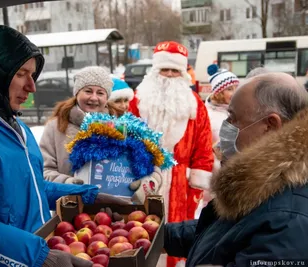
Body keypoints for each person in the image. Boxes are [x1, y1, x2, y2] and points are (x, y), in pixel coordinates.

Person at [0, 25, 125, 267]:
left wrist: (88, 195)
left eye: (32, 75)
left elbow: (30, 188)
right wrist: (36, 255)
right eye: (20, 74)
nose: (32, 86)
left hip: (35, 247)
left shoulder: (17, 127)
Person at [164, 72, 308, 266]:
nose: (226, 126)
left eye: (232, 118)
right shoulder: (265, 182)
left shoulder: (287, 219)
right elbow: (221, 233)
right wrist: (157, 235)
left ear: (270, 125)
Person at [128, 41, 214, 267]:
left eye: (175, 70)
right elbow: (127, 139)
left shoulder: (195, 104)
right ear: (154, 71)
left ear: (183, 73)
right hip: (145, 175)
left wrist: (196, 183)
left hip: (180, 183)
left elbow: (204, 146)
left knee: (177, 233)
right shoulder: (138, 100)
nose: (168, 75)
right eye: (164, 69)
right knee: (140, 229)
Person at [40, 66, 116, 184]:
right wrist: (68, 183)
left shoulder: (120, 127)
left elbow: (146, 165)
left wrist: (147, 182)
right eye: (88, 91)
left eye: (100, 93)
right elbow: (44, 170)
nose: (94, 97)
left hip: (109, 200)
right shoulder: (55, 127)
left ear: (107, 98)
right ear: (77, 93)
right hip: (69, 199)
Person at [205, 64, 239, 172]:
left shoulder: (236, 110)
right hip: (218, 169)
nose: (235, 93)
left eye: (236, 88)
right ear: (219, 92)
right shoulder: (209, 115)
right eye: (229, 89)